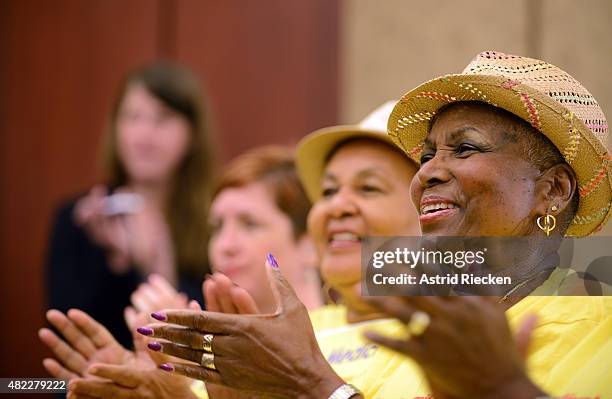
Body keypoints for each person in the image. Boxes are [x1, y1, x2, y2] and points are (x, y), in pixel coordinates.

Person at [132, 53, 610, 398]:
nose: (427, 173)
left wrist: (315, 388)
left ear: (553, 190)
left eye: (464, 148)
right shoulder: (416, 323)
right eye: (426, 157)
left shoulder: (600, 330)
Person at [40, 145, 322, 397]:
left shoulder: (354, 336)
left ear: (310, 245)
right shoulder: (204, 356)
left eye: (249, 224)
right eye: (217, 227)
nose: (224, 245)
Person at [45, 61, 215, 348]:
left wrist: (158, 264)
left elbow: (213, 337)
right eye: (132, 117)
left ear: (193, 134)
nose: (144, 135)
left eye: (162, 119)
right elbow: (66, 332)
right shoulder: (79, 219)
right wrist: (117, 266)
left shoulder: (214, 221)